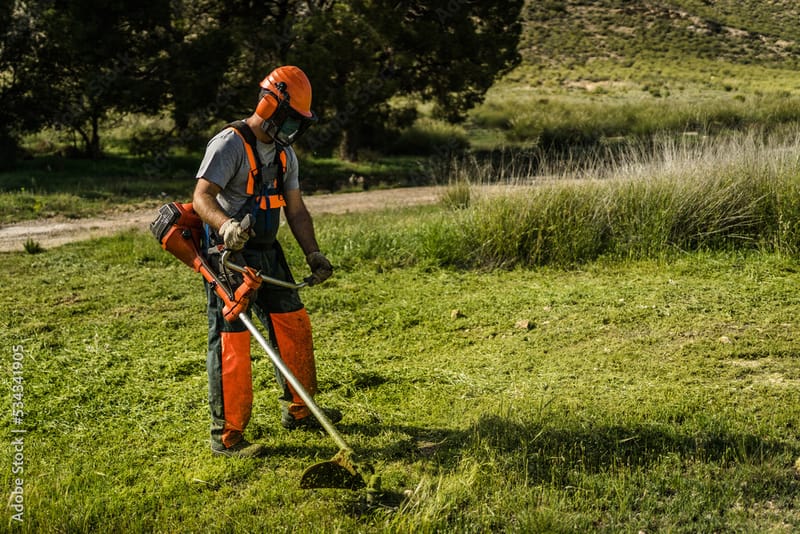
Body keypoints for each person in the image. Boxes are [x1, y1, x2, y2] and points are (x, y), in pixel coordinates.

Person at [192, 65, 338, 458]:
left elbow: (297, 210)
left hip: (269, 252)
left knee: (293, 323)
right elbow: (202, 198)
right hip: (230, 258)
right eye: (289, 119)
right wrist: (225, 228)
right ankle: (228, 437)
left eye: (298, 124)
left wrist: (313, 252)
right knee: (232, 341)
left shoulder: (286, 154)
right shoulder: (229, 144)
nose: (292, 130)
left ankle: (300, 409)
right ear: (270, 104)